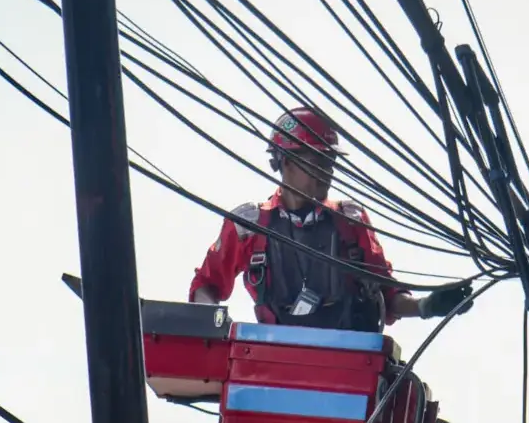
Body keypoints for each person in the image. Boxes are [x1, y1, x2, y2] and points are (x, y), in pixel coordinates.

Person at [189, 106, 473, 332]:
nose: (328, 171)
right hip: (273, 366)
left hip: (347, 363)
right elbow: (205, 285)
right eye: (318, 161)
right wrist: (215, 324)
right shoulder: (248, 227)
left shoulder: (351, 221)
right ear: (286, 161)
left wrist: (427, 306)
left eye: (331, 162)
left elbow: (387, 294)